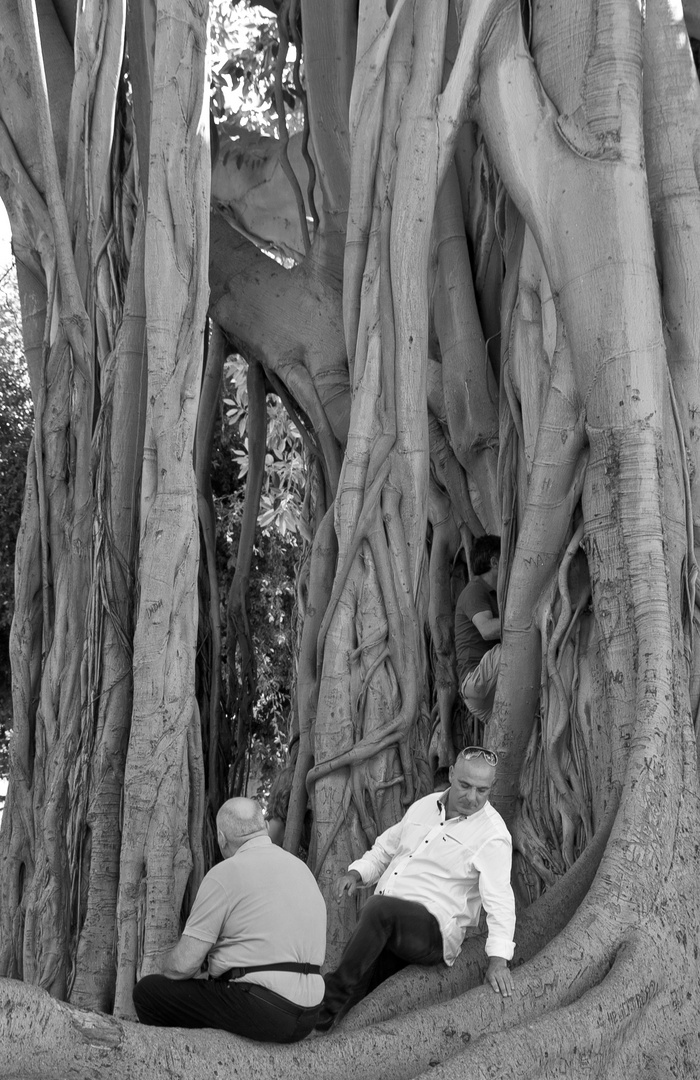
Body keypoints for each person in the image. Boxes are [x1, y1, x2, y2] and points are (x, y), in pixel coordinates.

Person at [316, 746, 515, 1030]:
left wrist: (499, 960)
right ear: (451, 774)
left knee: (378, 910)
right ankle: (330, 1033)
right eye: (465, 785)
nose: (472, 797)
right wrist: (357, 873)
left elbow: (501, 901)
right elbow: (387, 848)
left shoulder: (493, 835)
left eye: (482, 791)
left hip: (431, 931)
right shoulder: (425, 805)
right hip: (388, 923)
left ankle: (328, 999)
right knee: (360, 998)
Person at [132, 797, 326, 1042]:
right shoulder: (301, 869)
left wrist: (162, 963)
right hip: (310, 1013)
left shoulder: (225, 873)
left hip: (266, 1009)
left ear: (221, 838)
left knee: (148, 992)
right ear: (265, 827)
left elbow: (183, 966)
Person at [454, 535, 502, 724]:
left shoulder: (495, 594)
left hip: (489, 684)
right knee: (520, 643)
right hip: (476, 679)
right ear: (495, 562)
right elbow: (487, 630)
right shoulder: (474, 590)